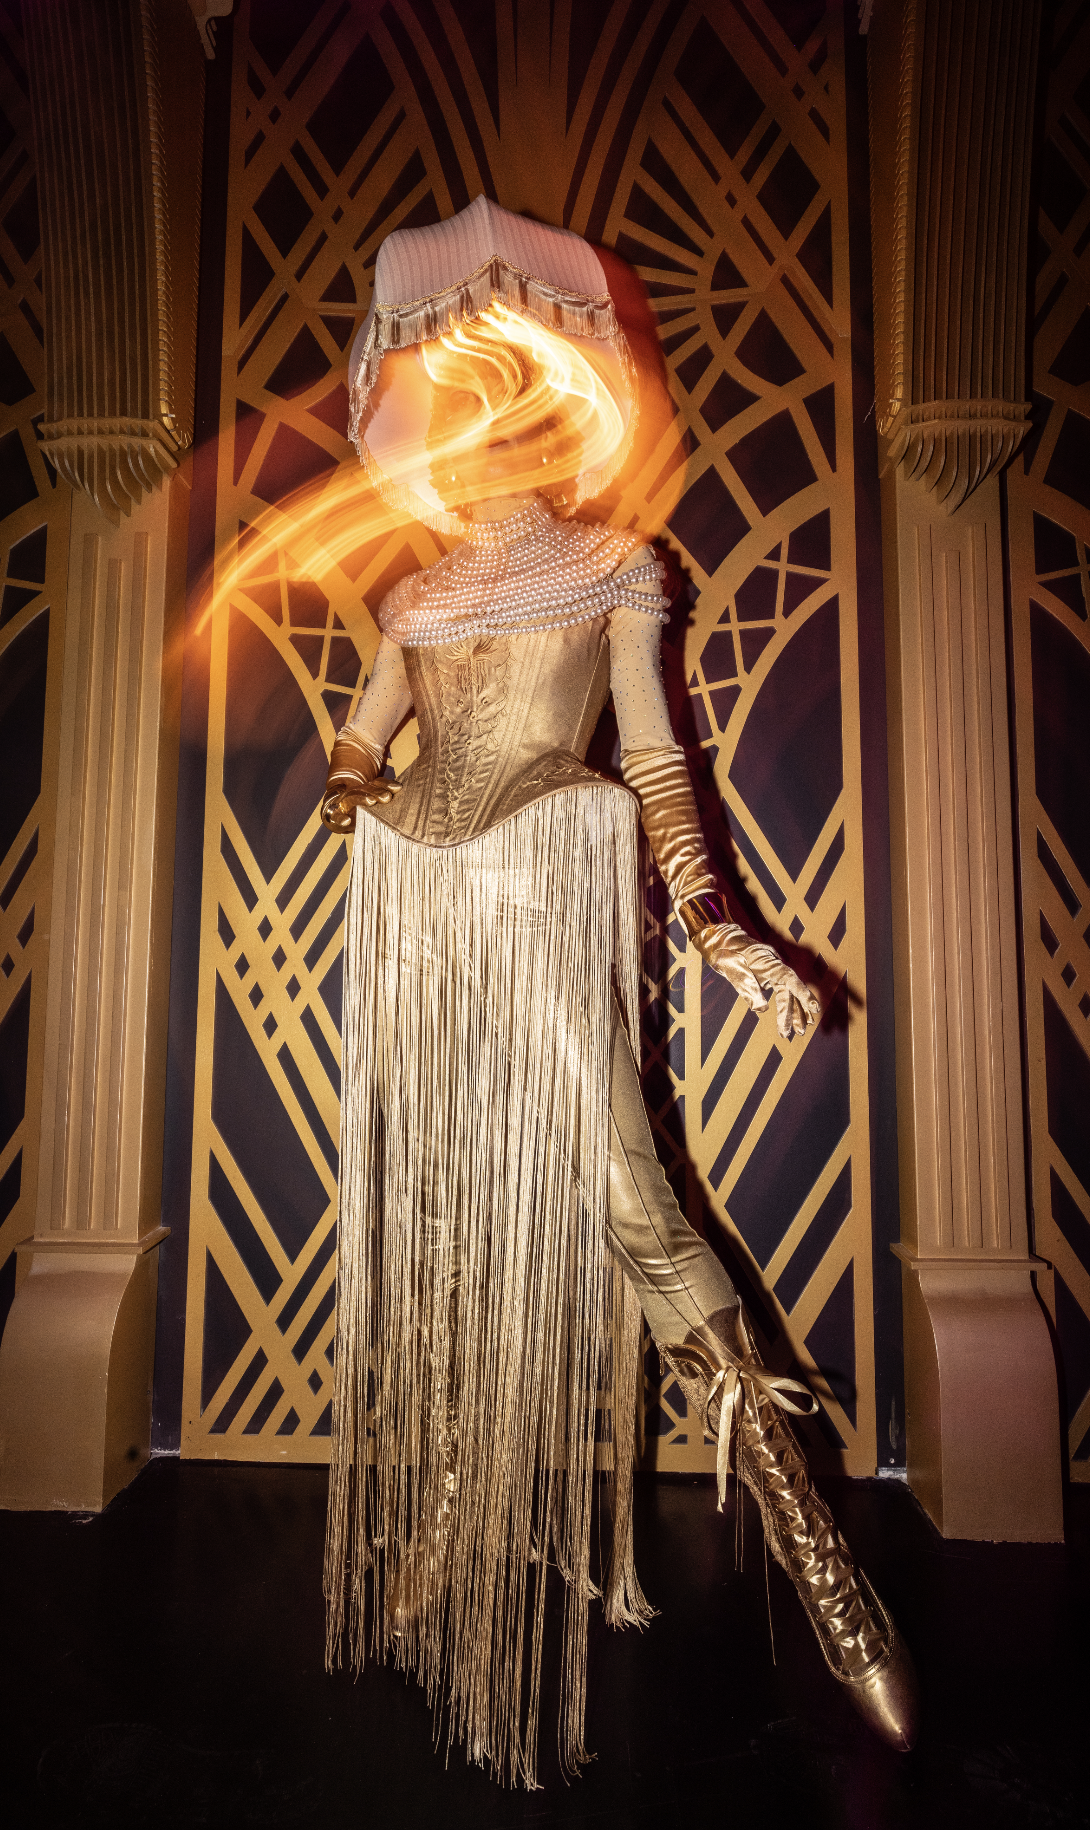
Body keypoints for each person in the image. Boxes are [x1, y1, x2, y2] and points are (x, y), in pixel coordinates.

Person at [320, 195, 917, 1788]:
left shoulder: (610, 566)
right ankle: (461, 1504)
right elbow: (359, 737)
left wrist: (721, 929)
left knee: (622, 1187)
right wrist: (347, 791)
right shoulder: (415, 596)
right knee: (460, 1204)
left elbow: (652, 756)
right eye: (466, 397)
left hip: (545, 881)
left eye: (517, 391)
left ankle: (804, 1533)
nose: (492, 417)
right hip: (430, 906)